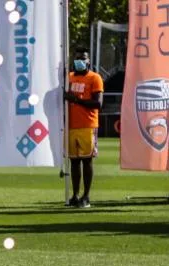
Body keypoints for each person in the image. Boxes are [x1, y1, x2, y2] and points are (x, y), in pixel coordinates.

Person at [64, 48, 103, 208]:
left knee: (87, 161)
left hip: (88, 125)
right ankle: (75, 195)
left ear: (88, 61)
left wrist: (76, 100)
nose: (79, 61)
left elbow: (98, 103)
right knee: (74, 162)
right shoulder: (69, 78)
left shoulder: (95, 78)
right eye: (77, 58)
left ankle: (86, 196)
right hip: (71, 125)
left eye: (83, 58)